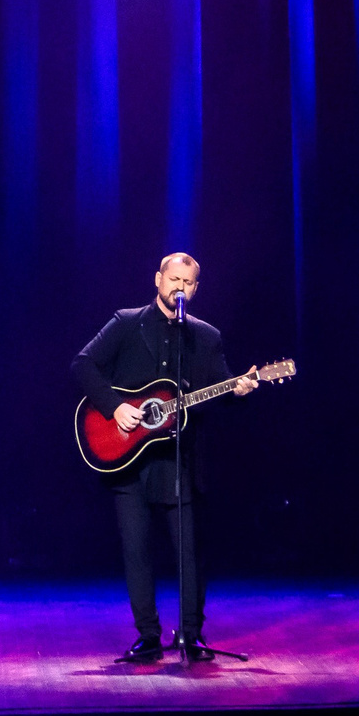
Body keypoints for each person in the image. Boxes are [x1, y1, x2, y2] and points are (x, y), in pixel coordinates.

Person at [69, 252, 256, 663]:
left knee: (189, 551)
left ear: (196, 288)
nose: (179, 288)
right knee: (136, 551)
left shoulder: (205, 336)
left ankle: (191, 634)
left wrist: (238, 389)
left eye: (187, 283)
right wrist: (114, 406)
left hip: (180, 461)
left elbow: (220, 388)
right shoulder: (126, 323)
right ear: (157, 279)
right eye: (172, 279)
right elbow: (83, 365)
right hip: (127, 459)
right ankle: (148, 637)